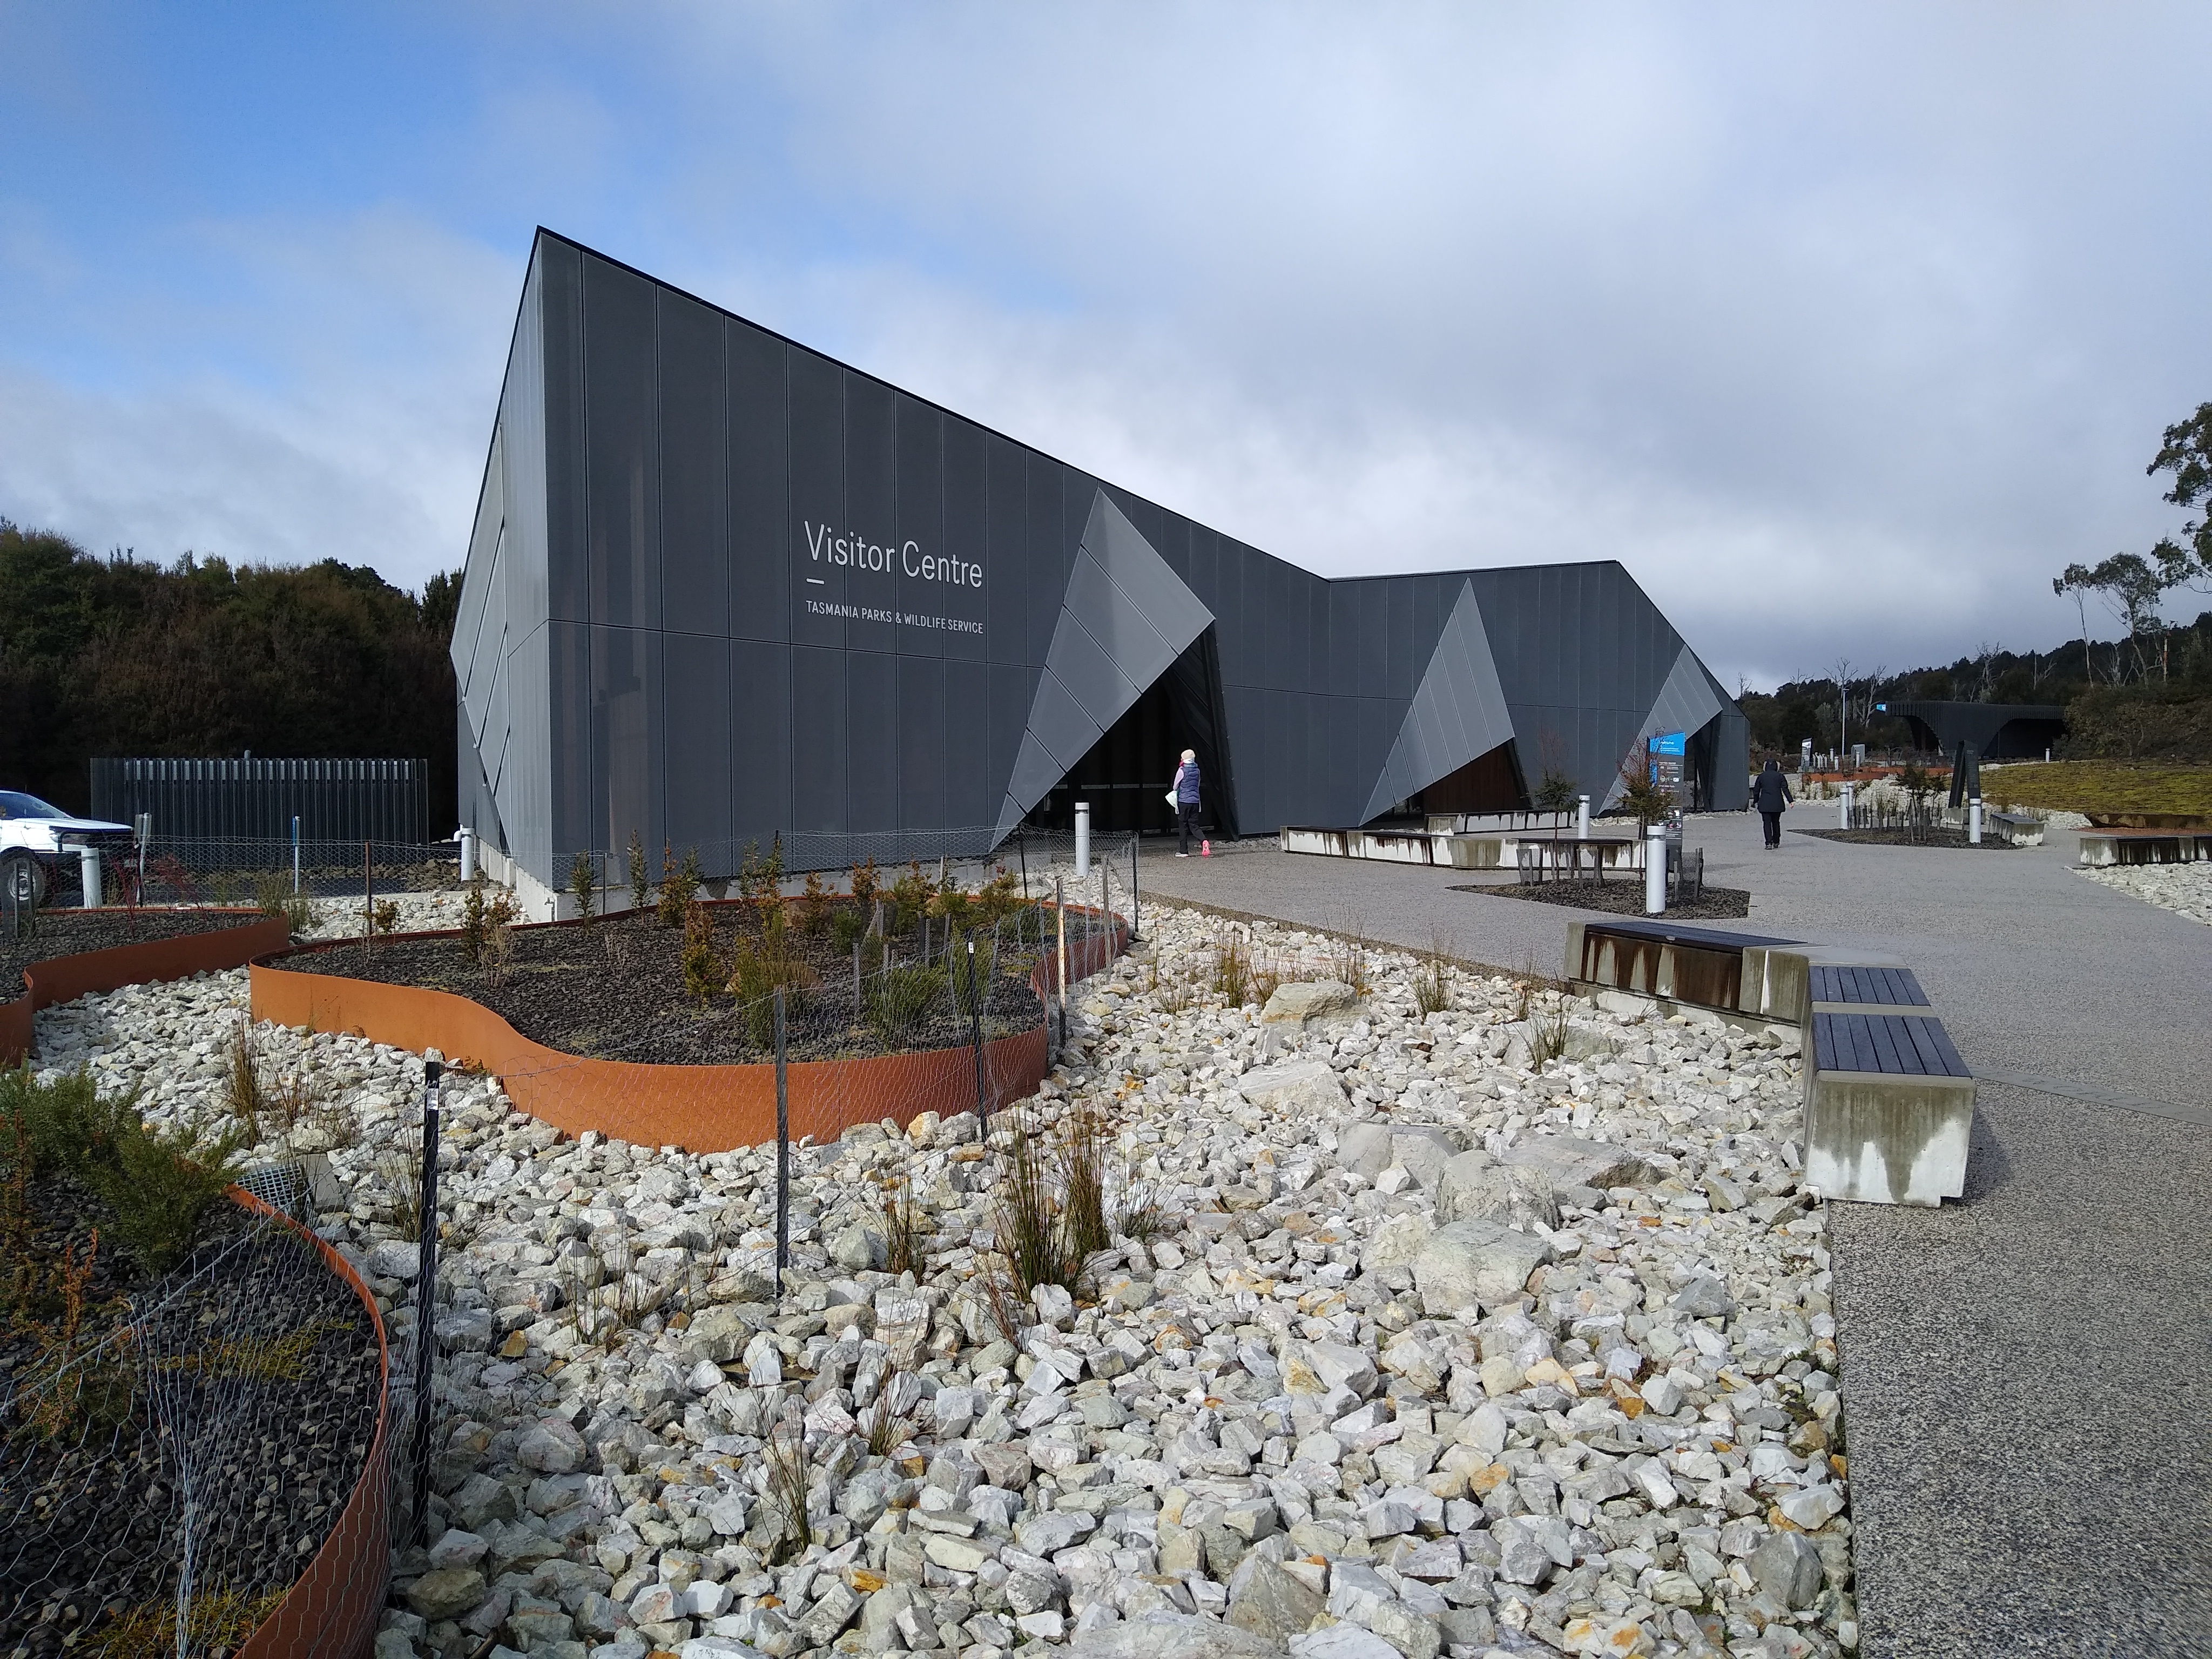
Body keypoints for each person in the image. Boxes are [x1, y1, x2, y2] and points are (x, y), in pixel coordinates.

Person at [1752, 758, 1793, 849]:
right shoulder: (1780, 776)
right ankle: (1776, 841)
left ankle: (1768, 843)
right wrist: (1790, 800)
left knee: (1766, 823)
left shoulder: (1761, 777)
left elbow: (1756, 790)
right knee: (1776, 822)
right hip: (1777, 803)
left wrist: (1756, 801)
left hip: (1765, 803)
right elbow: (1785, 789)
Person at [1171, 748, 1202, 855]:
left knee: (1183, 825)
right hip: (1195, 801)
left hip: (1184, 801)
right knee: (1194, 825)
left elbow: (1175, 786)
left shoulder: (1181, 770)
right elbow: (1197, 785)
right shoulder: (1197, 770)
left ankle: (1184, 851)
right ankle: (1204, 841)